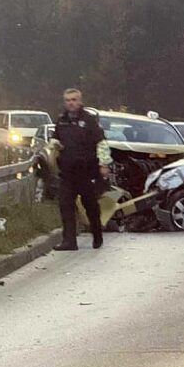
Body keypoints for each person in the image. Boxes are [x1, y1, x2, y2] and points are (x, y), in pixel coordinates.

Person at [51, 88, 111, 250]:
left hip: (86, 171)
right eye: (68, 100)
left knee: (90, 205)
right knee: (65, 205)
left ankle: (97, 234)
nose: (71, 103)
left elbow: (101, 143)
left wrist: (104, 164)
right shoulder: (61, 120)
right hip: (67, 172)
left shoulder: (89, 120)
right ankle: (69, 241)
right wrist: (53, 148)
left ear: (80, 101)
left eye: (74, 100)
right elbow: (55, 140)